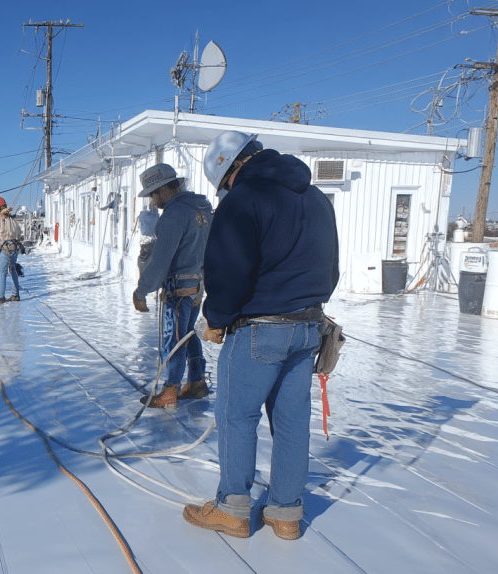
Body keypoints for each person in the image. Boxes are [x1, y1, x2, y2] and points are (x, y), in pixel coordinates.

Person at [182, 131, 339, 541]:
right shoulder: (317, 198)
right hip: (309, 327)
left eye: (223, 185)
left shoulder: (243, 199)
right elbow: (331, 265)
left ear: (231, 168)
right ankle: (286, 512)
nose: (224, 193)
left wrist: (215, 317)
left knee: (237, 416)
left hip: (259, 330)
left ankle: (233, 508)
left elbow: (228, 270)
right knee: (291, 421)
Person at [131, 163, 213, 407]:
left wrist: (141, 290)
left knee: (173, 339)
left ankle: (170, 390)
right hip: (198, 285)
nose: (154, 200)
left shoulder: (174, 214)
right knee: (188, 334)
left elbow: (160, 261)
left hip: (177, 287)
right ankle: (197, 381)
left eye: (154, 193)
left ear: (166, 189)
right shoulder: (204, 210)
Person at [0, 196, 23, 304]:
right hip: (15, 248)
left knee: (1, 271)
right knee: (12, 270)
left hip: (5, 248)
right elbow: (19, 233)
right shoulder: (12, 218)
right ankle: (15, 294)